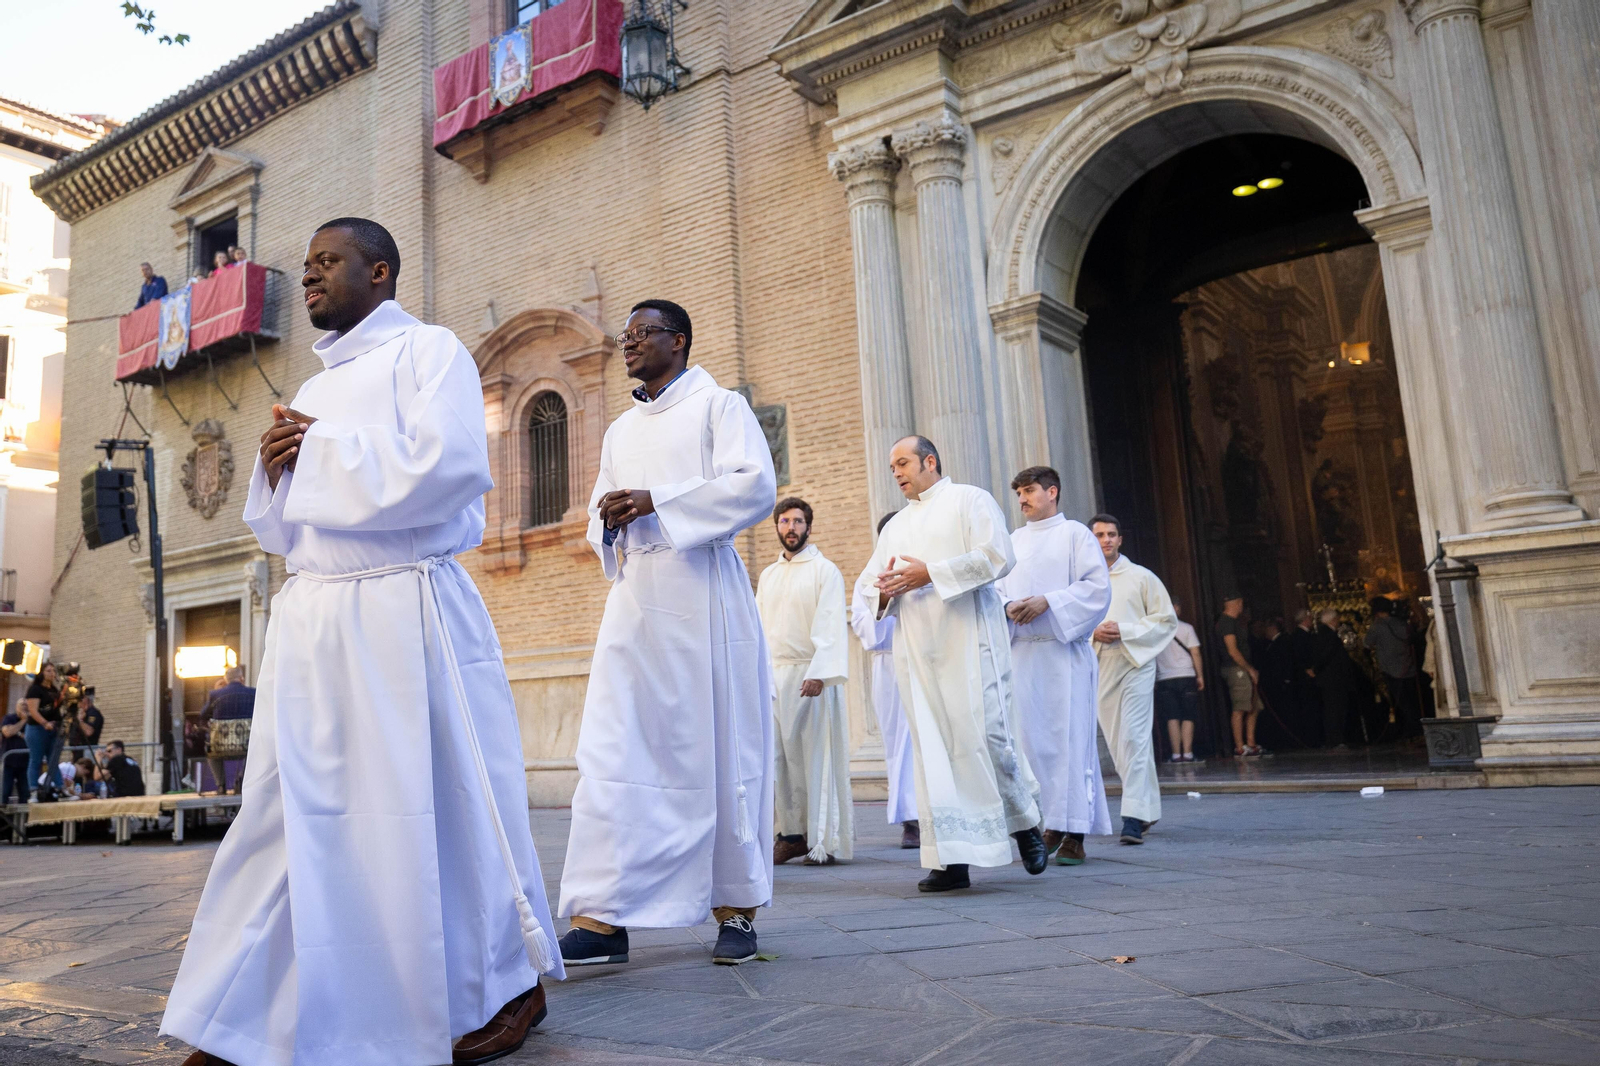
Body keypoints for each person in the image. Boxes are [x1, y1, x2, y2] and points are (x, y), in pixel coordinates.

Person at [161, 217, 561, 1066]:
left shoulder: (431, 353)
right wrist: (277, 469)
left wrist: (321, 450)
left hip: (403, 608)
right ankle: (242, 1012)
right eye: (305, 265)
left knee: (442, 805)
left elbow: (453, 464)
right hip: (316, 619)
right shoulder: (314, 386)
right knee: (288, 811)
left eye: (326, 262)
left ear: (379, 272)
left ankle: (506, 983)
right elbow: (280, 526)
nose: (307, 277)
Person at [557, 299, 777, 970]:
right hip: (635, 600)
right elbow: (601, 503)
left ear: (678, 340)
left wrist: (659, 501)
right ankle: (602, 915)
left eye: (643, 333)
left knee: (717, 750)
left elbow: (755, 485)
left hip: (702, 592)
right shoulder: (621, 428)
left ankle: (734, 909)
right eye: (625, 335)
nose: (629, 343)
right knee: (613, 752)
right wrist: (611, 519)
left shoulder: (721, 408)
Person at [853, 436, 1047, 893]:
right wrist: (885, 589)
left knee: (988, 737)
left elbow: (998, 556)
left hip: (970, 642)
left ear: (930, 461)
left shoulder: (970, 500)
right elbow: (868, 585)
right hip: (919, 652)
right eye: (892, 466)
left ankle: (1025, 827)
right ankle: (950, 861)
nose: (897, 472)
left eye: (903, 462)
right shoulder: (895, 525)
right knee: (934, 753)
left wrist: (931, 574)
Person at [996, 466, 1112, 867]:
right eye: (1020, 494)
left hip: (1064, 655)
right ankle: (1047, 823)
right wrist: (1007, 606)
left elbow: (1097, 590)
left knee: (1071, 743)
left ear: (1052, 492)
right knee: (1032, 746)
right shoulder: (1013, 541)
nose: (1024, 499)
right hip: (1023, 656)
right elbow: (994, 590)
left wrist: (1048, 601)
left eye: (1030, 491)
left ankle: (1074, 832)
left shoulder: (1076, 535)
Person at [757, 497, 853, 867]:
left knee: (814, 755)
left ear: (809, 527)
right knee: (780, 758)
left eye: (798, 521)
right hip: (774, 674)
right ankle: (791, 834)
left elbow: (830, 622)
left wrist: (819, 672)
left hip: (810, 674)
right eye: (784, 521)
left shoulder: (824, 570)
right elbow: (760, 628)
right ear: (777, 527)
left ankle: (820, 838)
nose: (791, 528)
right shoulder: (768, 575)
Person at [1089, 515, 1177, 846]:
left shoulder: (1142, 577)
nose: (1106, 540)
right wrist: (1092, 632)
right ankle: (1146, 808)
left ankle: (1132, 819)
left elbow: (1166, 620)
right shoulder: (1083, 581)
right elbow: (1066, 621)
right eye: (1099, 535)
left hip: (1136, 662)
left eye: (1111, 534)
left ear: (1120, 539)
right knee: (1117, 741)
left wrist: (1125, 631)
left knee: (1135, 737)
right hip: (1100, 664)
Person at [850, 512, 919, 849]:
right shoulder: (867, 578)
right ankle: (910, 819)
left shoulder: (921, 570)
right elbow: (865, 630)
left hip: (925, 662)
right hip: (890, 663)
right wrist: (884, 600)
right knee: (897, 742)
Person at [1154, 600, 1204, 764]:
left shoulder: (1156, 630)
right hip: (1186, 675)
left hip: (1164, 677)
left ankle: (1176, 755)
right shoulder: (1186, 628)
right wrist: (1200, 675)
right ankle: (1188, 754)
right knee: (1188, 716)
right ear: (1175, 608)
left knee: (1172, 717)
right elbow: (1195, 653)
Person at [1365, 598, 1422, 741]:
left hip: (1391, 670)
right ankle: (1415, 729)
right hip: (1408, 667)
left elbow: (1367, 643)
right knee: (1412, 700)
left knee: (1399, 703)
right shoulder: (1401, 623)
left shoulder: (1378, 626)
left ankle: (1410, 730)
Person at [1216, 594, 1265, 758]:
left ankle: (1250, 743)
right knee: (1240, 707)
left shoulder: (1235, 622)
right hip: (1235, 668)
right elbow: (1232, 650)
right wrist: (1248, 668)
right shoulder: (1226, 623)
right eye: (1240, 603)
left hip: (1244, 667)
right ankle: (1239, 746)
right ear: (1236, 603)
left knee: (1254, 705)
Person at [200, 666, 254, 795]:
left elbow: (203, 715)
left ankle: (221, 785)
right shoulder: (253, 693)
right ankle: (241, 780)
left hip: (220, 745)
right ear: (242, 678)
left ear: (226, 680)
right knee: (254, 752)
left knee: (211, 752)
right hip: (246, 745)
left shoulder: (215, 694)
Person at [1311, 607, 1356, 749]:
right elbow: (1325, 656)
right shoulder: (1327, 635)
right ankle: (1335, 739)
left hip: (1333, 679)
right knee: (1334, 710)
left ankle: (1336, 738)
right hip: (1332, 679)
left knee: (1336, 709)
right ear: (1333, 619)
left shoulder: (1326, 634)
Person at [24, 664, 62, 797]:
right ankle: (33, 789)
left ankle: (59, 787)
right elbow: (33, 711)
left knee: (53, 760)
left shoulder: (54, 689)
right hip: (37, 728)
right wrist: (44, 723)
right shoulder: (35, 689)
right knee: (36, 760)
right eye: (48, 671)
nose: (51, 673)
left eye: (53, 671)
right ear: (41, 673)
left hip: (53, 728)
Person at [0, 700, 27, 805]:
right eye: (22, 705)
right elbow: (7, 732)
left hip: (25, 763)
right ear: (16, 707)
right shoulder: (9, 718)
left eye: (26, 705)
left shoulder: (32, 721)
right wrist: (23, 721)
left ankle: (22, 820)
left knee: (25, 793)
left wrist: (19, 732)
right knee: (4, 792)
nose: (24, 707)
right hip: (8, 762)